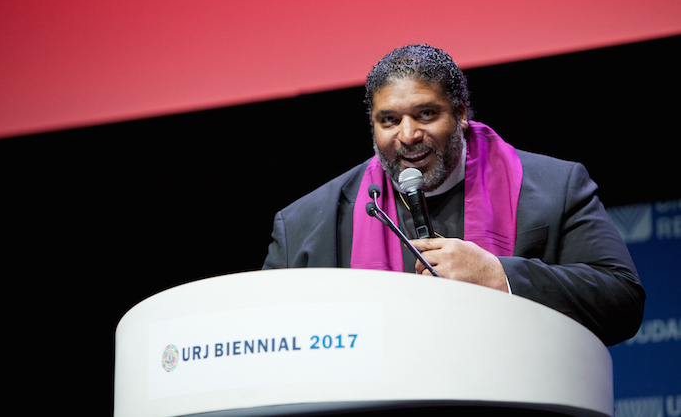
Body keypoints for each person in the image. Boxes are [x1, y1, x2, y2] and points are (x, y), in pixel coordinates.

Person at [262, 44, 644, 347]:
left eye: (426, 114)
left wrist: (500, 276)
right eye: (389, 120)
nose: (408, 135)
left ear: (460, 112)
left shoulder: (555, 187)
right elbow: (264, 335)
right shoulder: (305, 224)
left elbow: (621, 301)